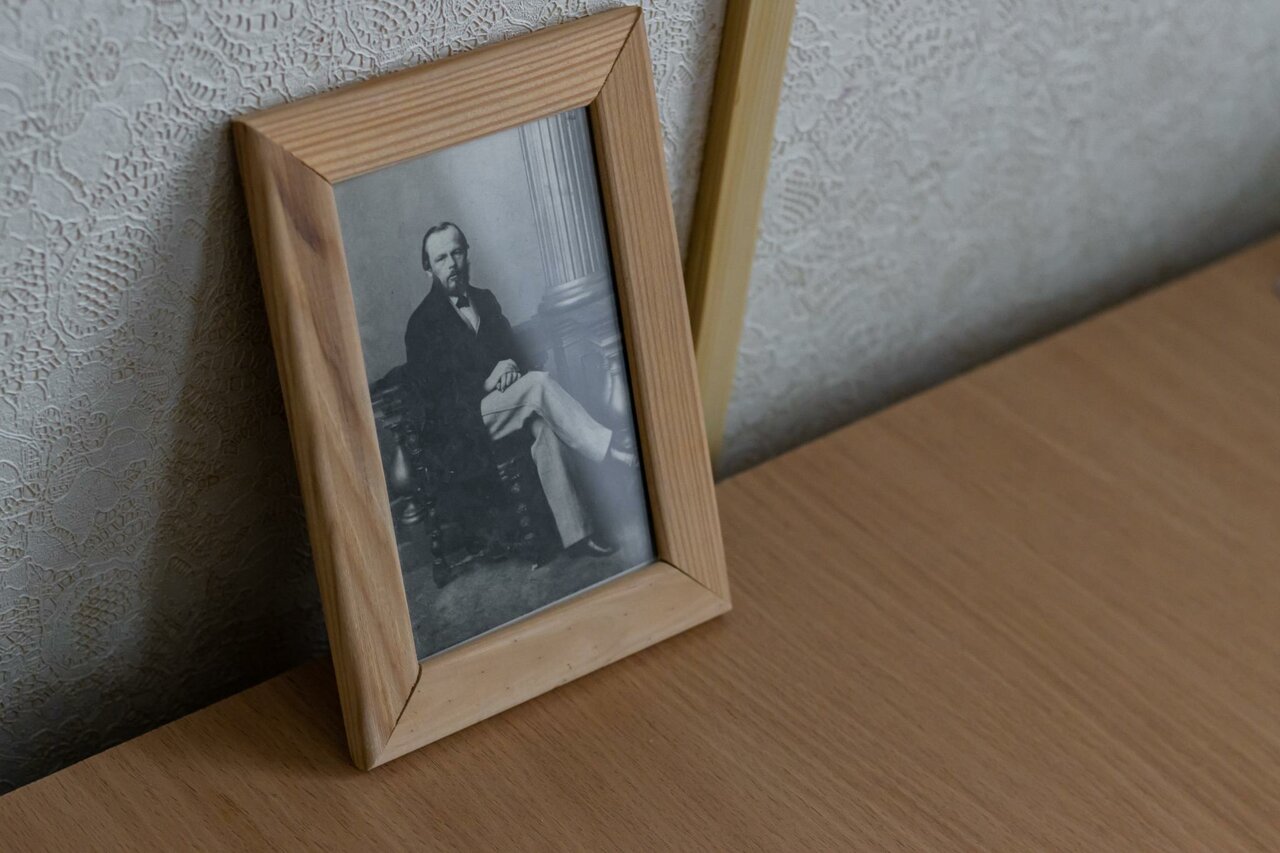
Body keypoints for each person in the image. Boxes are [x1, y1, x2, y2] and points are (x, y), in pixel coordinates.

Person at [404, 221, 636, 561]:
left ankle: (577, 535)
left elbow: (512, 352)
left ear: (467, 254)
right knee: (539, 385)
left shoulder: (484, 299)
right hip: (462, 425)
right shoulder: (421, 324)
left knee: (546, 428)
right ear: (428, 269)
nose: (452, 264)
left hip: (506, 406)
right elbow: (435, 399)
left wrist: (510, 365)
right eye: (441, 258)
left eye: (457, 253)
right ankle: (614, 452)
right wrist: (487, 381)